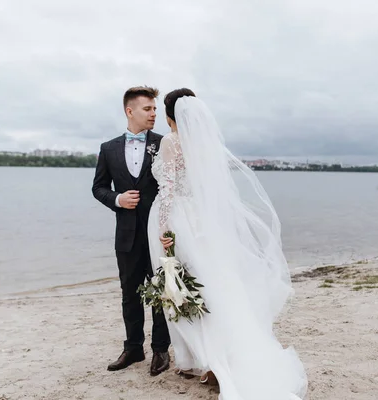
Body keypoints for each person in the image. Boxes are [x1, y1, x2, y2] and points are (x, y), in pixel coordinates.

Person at [147, 89, 308, 399]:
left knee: (182, 285)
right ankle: (214, 358)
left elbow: (167, 189)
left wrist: (164, 228)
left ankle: (205, 359)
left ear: (170, 117)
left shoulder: (171, 142)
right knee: (212, 284)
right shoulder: (205, 147)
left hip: (178, 218)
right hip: (205, 221)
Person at [92, 86, 171, 376]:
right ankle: (134, 348)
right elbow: (98, 187)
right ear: (130, 111)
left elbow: (174, 189)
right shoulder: (108, 148)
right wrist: (117, 199)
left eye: (154, 108)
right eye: (147, 109)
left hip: (158, 234)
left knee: (161, 291)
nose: (153, 114)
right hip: (126, 235)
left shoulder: (165, 144)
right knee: (130, 293)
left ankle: (160, 350)